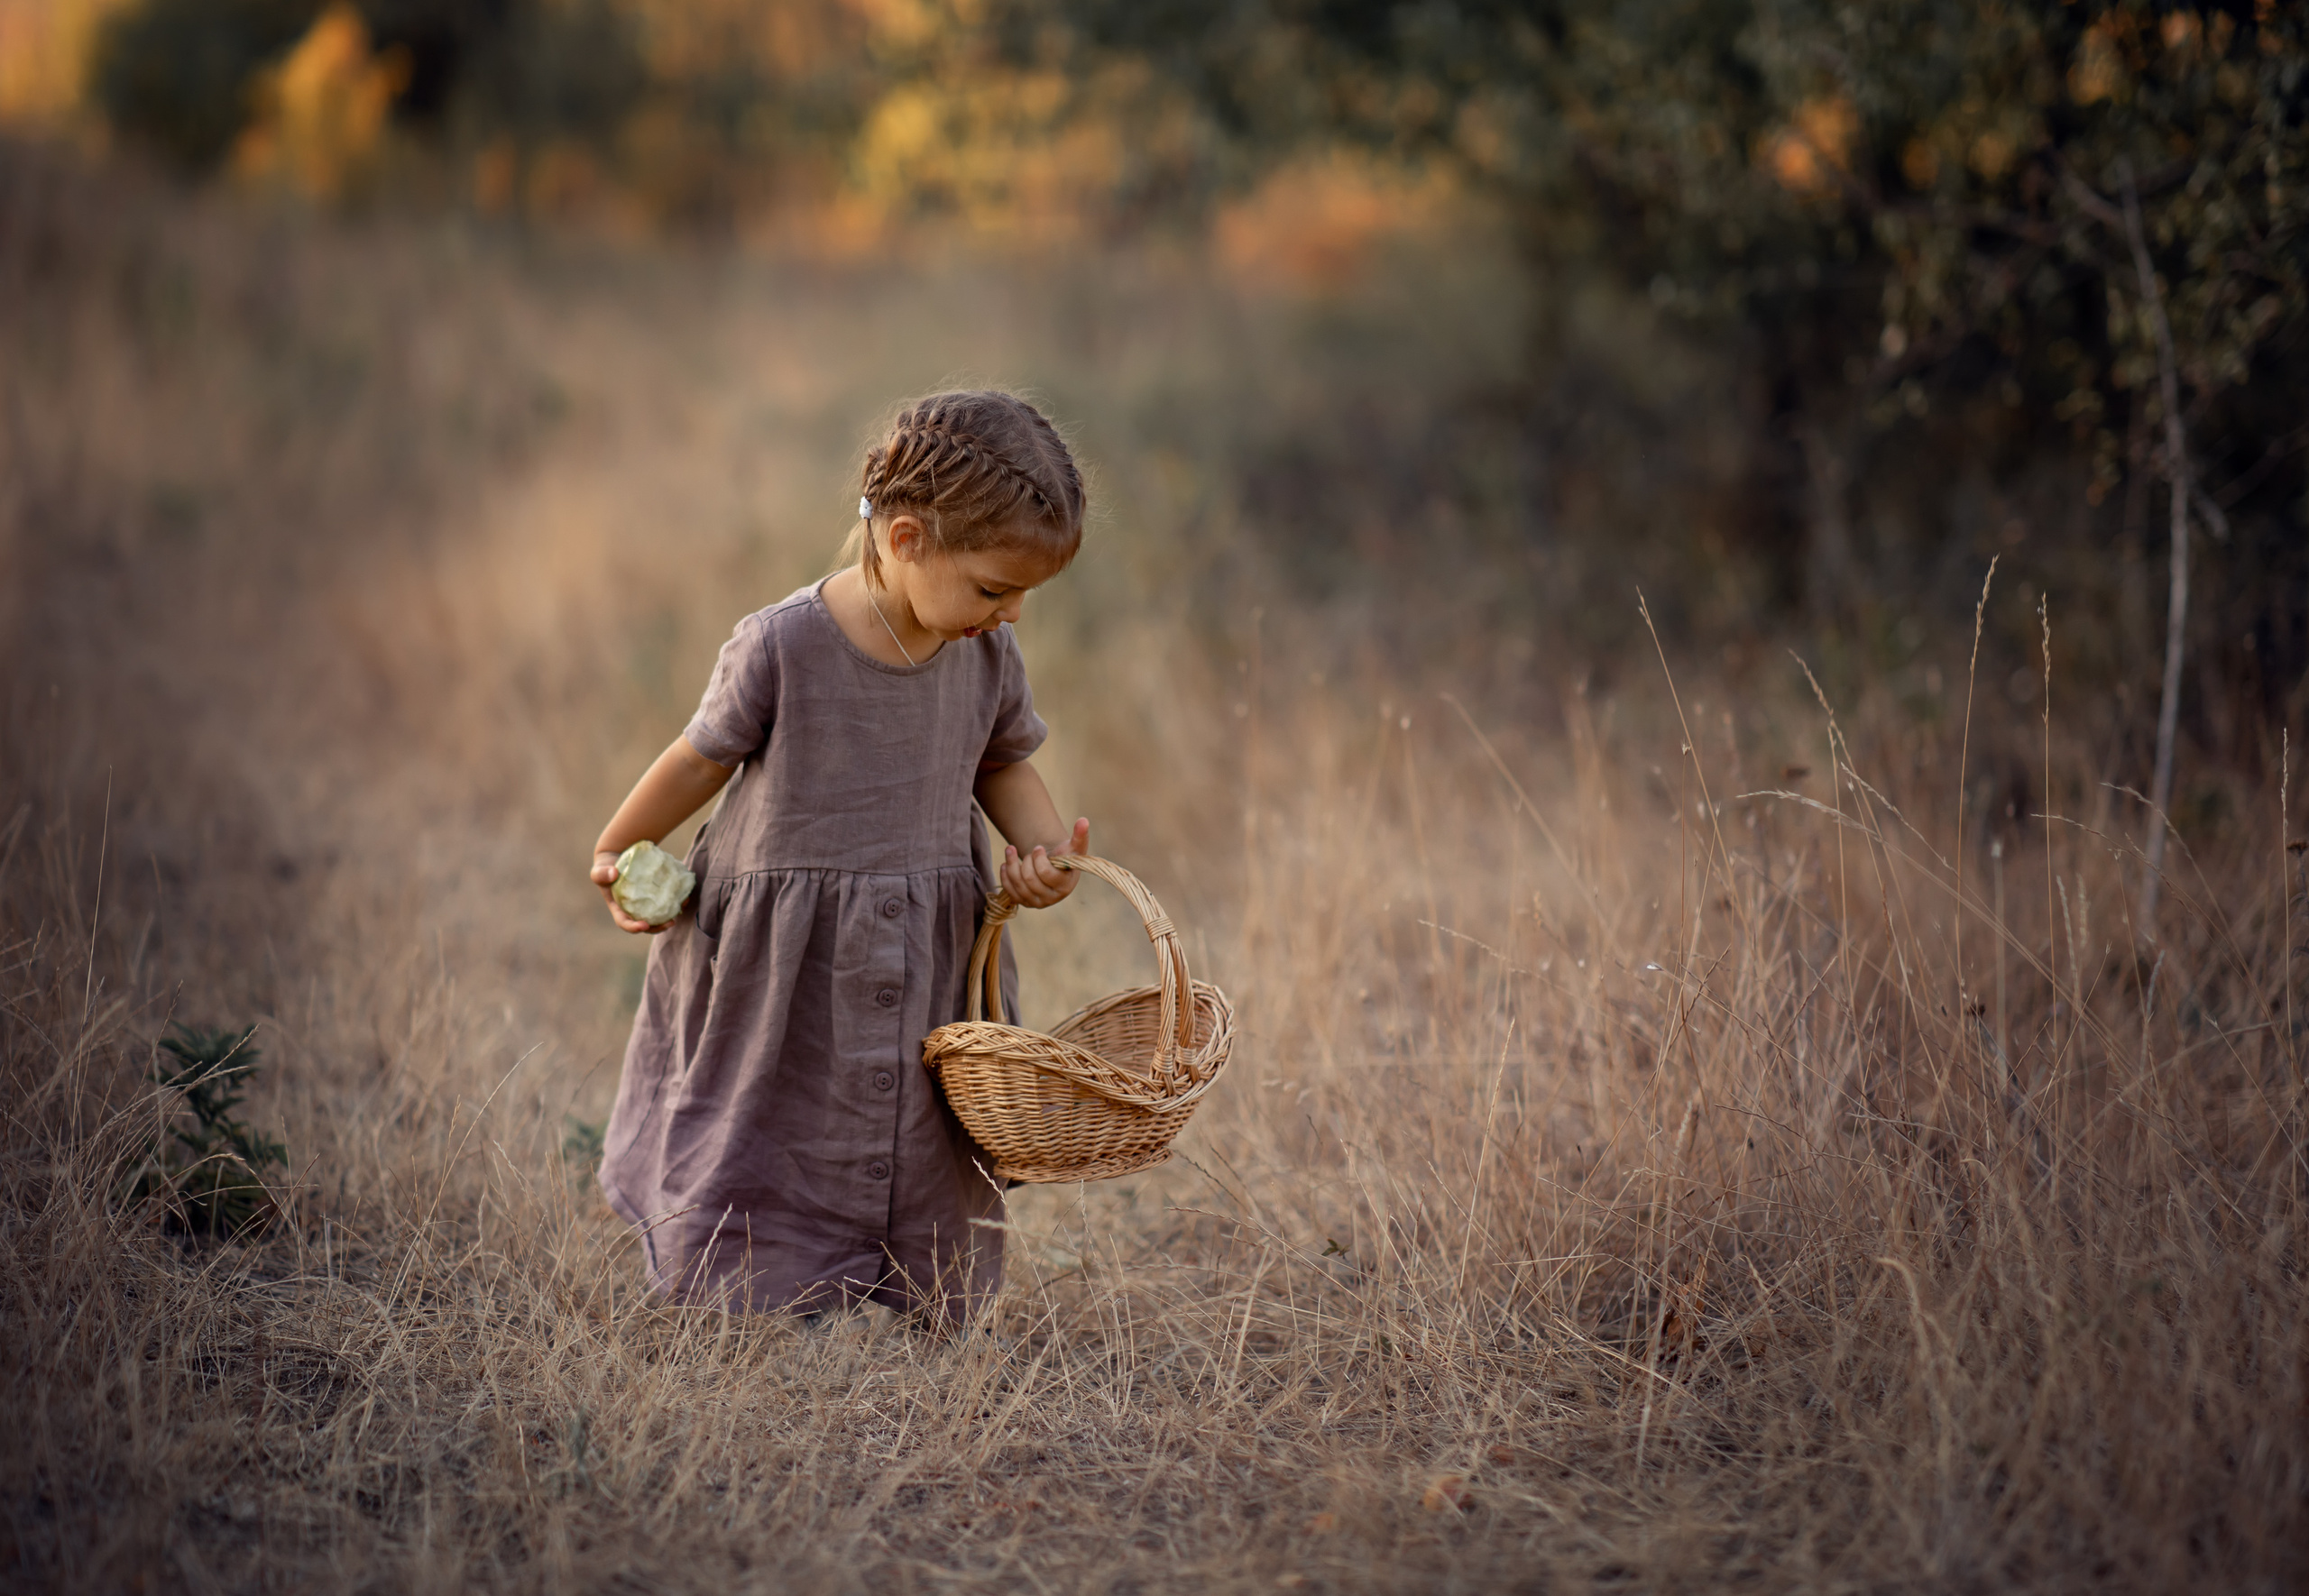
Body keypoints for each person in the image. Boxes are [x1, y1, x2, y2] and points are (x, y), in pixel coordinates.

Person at [589, 390, 1090, 1329]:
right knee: (767, 1108)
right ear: (906, 540)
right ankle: (744, 1285)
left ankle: (909, 1290)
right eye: (993, 588)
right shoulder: (783, 644)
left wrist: (1042, 854)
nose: (1013, 612)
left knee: (917, 1120)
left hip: (925, 946)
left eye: (1025, 595)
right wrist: (619, 845)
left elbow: (1001, 761)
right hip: (785, 951)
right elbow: (699, 758)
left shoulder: (987, 654)